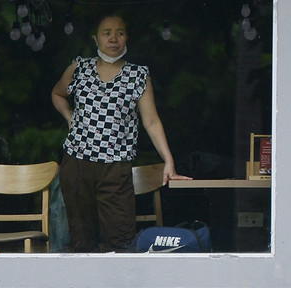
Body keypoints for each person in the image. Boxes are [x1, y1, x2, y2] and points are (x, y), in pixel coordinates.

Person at [50, 13, 190, 252]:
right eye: (107, 33)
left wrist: (169, 161)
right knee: (81, 242)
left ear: (127, 38)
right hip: (77, 165)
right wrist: (70, 117)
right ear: (96, 39)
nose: (113, 38)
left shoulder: (138, 76)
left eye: (120, 33)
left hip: (115, 169)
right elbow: (58, 94)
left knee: (123, 241)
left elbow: (152, 121)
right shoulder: (79, 67)